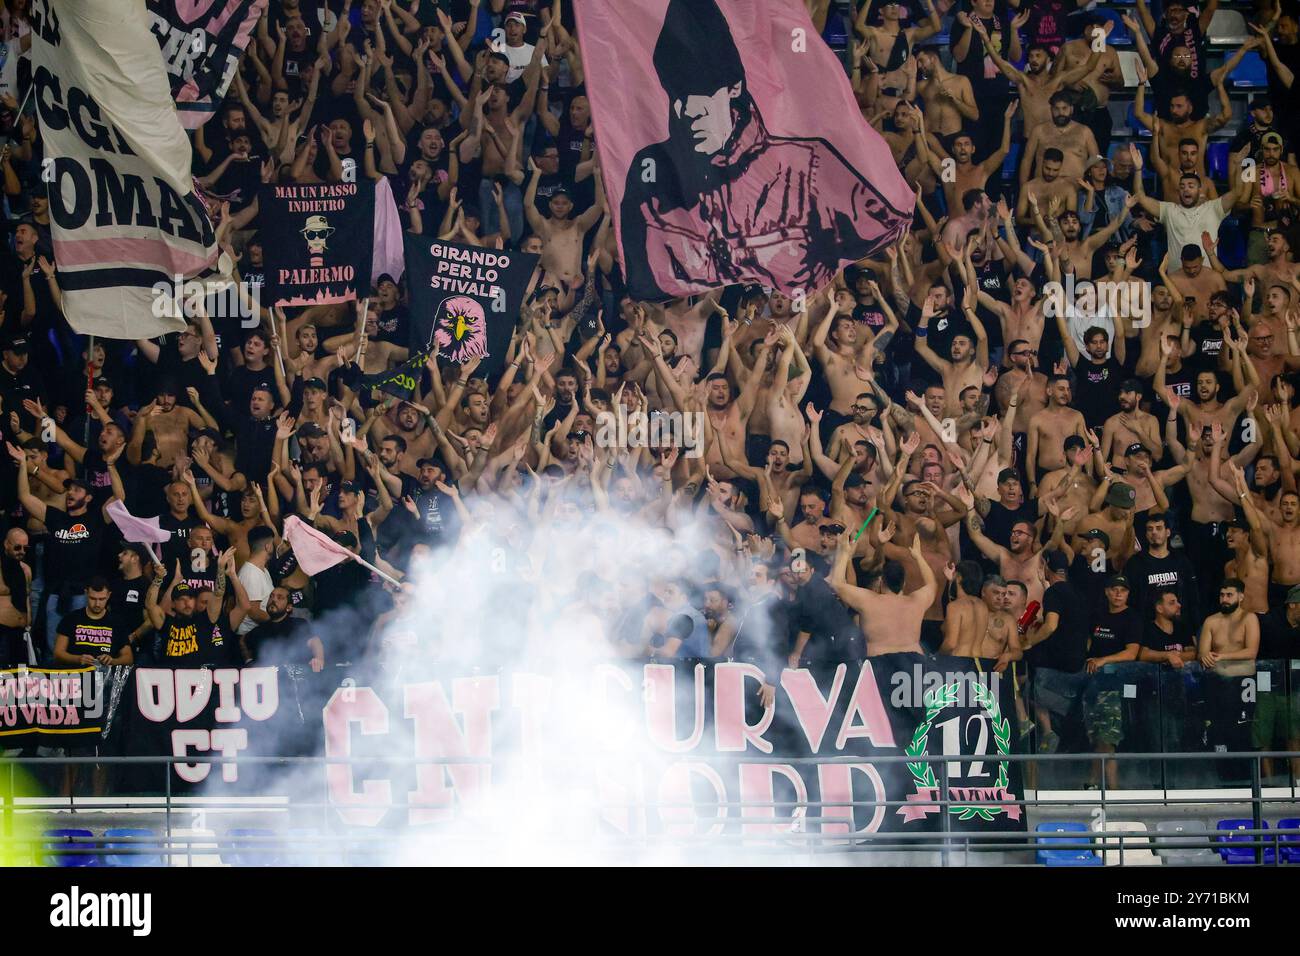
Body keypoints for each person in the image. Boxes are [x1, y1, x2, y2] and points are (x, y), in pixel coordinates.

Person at [619, 0, 908, 299]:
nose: (684, 111)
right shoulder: (652, 173)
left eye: (696, 95)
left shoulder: (809, 166)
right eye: (674, 95)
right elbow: (645, 278)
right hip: (714, 333)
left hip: (795, 328)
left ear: (733, 88)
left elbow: (884, 234)